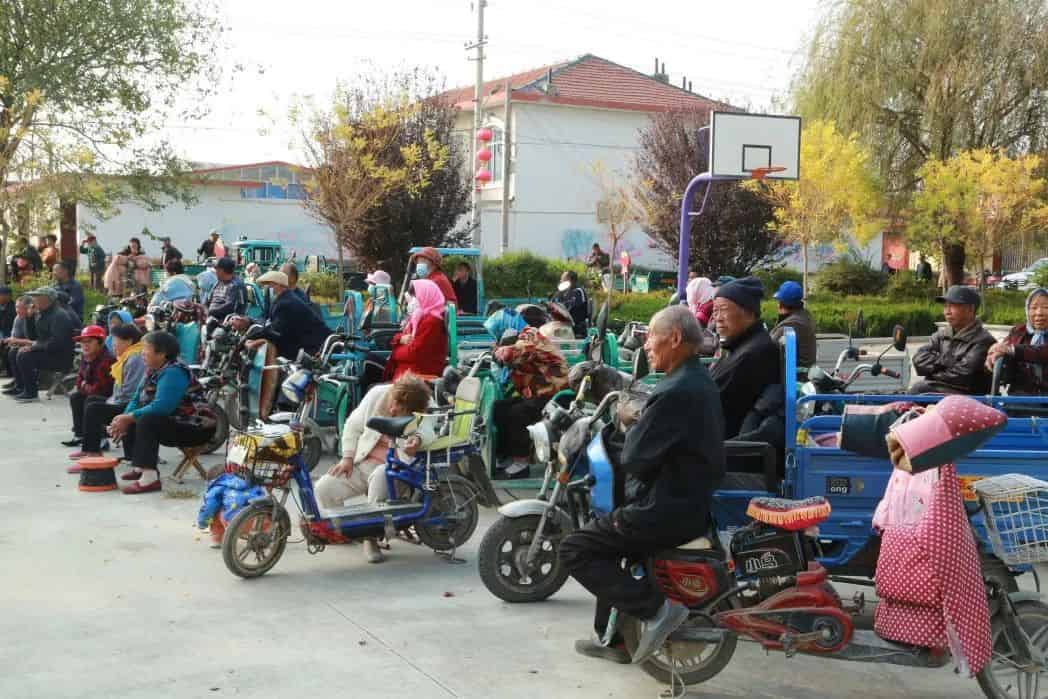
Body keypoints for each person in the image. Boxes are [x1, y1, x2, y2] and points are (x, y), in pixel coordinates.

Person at [561, 305, 725, 665]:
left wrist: (631, 422)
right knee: (607, 542)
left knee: (575, 548)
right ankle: (618, 641)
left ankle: (657, 610)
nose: (646, 344)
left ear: (675, 338)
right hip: (685, 502)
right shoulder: (696, 379)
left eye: (651, 336)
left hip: (664, 509)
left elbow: (634, 457)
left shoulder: (676, 391)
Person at [314, 375, 432, 563]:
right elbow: (352, 426)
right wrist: (347, 458)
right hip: (364, 462)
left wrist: (418, 440)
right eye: (393, 403)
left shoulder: (423, 403)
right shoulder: (378, 394)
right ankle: (345, 531)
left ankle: (370, 538)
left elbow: (428, 430)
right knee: (324, 488)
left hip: (396, 471)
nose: (392, 409)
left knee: (380, 476)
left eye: (400, 409)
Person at [106, 331, 205, 494]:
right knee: (134, 416)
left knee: (146, 419)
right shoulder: (151, 370)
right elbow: (136, 399)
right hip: (175, 422)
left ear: (162, 353)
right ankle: (139, 467)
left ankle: (150, 478)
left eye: (146, 349)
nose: (142, 353)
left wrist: (129, 417)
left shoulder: (174, 371)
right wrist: (122, 419)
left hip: (196, 427)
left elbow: (162, 406)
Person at [709, 277, 781, 439]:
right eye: (715, 311)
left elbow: (709, 400)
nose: (717, 318)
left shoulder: (754, 353)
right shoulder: (740, 346)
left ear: (748, 312)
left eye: (723, 309)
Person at [492, 326, 568, 478]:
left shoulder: (532, 339)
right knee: (499, 408)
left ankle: (521, 463)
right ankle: (506, 456)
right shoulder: (522, 353)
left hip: (554, 394)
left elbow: (518, 351)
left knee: (517, 413)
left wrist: (500, 353)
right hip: (538, 394)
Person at [67, 324, 146, 463]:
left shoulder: (134, 358)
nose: (113, 346)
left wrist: (110, 400)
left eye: (116, 342)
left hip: (132, 404)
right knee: (88, 400)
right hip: (121, 399)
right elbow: (80, 382)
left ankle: (93, 452)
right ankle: (88, 446)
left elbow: (129, 392)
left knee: (94, 408)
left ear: (128, 341)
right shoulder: (126, 357)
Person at [910, 285, 995, 395]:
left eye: (952, 306)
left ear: (970, 309)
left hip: (968, 396)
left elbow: (963, 376)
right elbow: (918, 359)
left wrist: (932, 372)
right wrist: (946, 362)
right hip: (938, 390)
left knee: (919, 389)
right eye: (945, 306)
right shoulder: (940, 336)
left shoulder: (983, 341)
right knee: (914, 392)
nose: (947, 311)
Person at [4, 288, 77, 403]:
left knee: (24, 355)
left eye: (37, 297)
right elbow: (32, 337)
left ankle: (31, 392)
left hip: (60, 357)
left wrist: (33, 347)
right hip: (49, 351)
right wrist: (29, 318)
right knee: (15, 352)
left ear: (47, 299)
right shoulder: (41, 314)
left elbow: (57, 342)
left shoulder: (59, 315)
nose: (33, 300)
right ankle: (21, 387)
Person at [250, 271, 330, 360]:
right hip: (304, 343)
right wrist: (251, 323)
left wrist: (250, 336)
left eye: (270, 284)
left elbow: (275, 330)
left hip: (312, 347)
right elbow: (269, 321)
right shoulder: (285, 298)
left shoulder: (285, 303)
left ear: (278, 285)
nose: (268, 288)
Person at [985, 288, 1048, 396]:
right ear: (1027, 310)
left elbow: (1042, 352)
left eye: (1046, 307)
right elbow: (1003, 347)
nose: (1039, 313)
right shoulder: (1018, 331)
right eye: (1033, 308)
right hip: (1020, 396)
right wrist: (994, 353)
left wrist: (1013, 350)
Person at [61, 326, 115, 448]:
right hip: (93, 392)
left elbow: (101, 389)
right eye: (82, 342)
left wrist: (85, 385)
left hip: (109, 397)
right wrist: (85, 386)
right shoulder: (87, 357)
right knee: (76, 397)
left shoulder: (108, 360)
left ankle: (101, 438)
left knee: (92, 400)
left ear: (100, 343)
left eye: (89, 341)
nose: (85, 345)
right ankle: (79, 434)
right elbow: (79, 382)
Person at [384, 279, 448, 381]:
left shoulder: (432, 322)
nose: (413, 300)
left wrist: (395, 352)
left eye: (416, 296)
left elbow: (414, 354)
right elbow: (401, 336)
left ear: (427, 296)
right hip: (408, 371)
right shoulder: (419, 316)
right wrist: (399, 340)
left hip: (416, 376)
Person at [769, 280, 817, 368]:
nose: (777, 305)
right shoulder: (804, 316)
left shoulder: (792, 323)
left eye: (778, 301)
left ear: (782, 304)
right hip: (803, 371)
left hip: (795, 373)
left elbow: (768, 347)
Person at [206, 257, 246, 322]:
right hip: (212, 317)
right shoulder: (218, 283)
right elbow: (208, 300)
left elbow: (230, 307)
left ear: (221, 271)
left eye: (216, 269)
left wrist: (210, 311)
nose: (215, 272)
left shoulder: (236, 285)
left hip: (226, 321)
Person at [1, 296, 32, 377]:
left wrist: (17, 341)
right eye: (17, 307)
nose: (18, 310)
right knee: (9, 349)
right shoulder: (18, 318)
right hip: (24, 344)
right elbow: (14, 336)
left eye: (21, 308)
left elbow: (36, 340)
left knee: (17, 352)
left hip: (36, 345)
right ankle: (16, 379)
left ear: (29, 308)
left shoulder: (35, 317)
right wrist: (7, 341)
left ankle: (25, 380)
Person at [553, 271, 589, 338]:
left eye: (562, 279)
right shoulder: (562, 293)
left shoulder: (578, 291)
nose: (560, 281)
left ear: (569, 280)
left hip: (576, 329)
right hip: (564, 327)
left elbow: (570, 310)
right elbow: (555, 304)